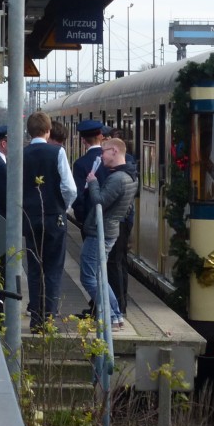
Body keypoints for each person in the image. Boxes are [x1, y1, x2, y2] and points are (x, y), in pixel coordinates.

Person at [21, 111, 77, 331]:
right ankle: (49, 318)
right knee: (53, 269)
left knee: (34, 268)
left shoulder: (21, 154)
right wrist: (63, 207)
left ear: (29, 131)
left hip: (30, 218)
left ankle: (35, 318)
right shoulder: (57, 152)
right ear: (48, 130)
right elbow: (69, 188)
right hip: (54, 218)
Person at [83, 137, 139, 329]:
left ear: (114, 151)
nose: (102, 156)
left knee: (89, 277)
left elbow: (99, 201)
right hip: (110, 230)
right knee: (99, 276)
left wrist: (92, 182)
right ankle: (115, 315)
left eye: (104, 151)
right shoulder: (130, 176)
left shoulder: (118, 179)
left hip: (100, 231)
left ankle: (112, 316)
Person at [72, 120, 116, 322]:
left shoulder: (81, 164)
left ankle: (110, 313)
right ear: (101, 136)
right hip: (113, 223)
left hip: (91, 224)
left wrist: (82, 219)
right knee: (102, 270)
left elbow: (78, 198)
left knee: (92, 272)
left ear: (83, 140)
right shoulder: (115, 161)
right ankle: (110, 313)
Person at [102, 125, 134, 318]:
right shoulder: (128, 168)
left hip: (117, 222)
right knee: (118, 263)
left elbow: (101, 200)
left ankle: (116, 309)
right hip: (123, 220)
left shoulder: (120, 173)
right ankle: (119, 306)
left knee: (113, 263)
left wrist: (93, 184)